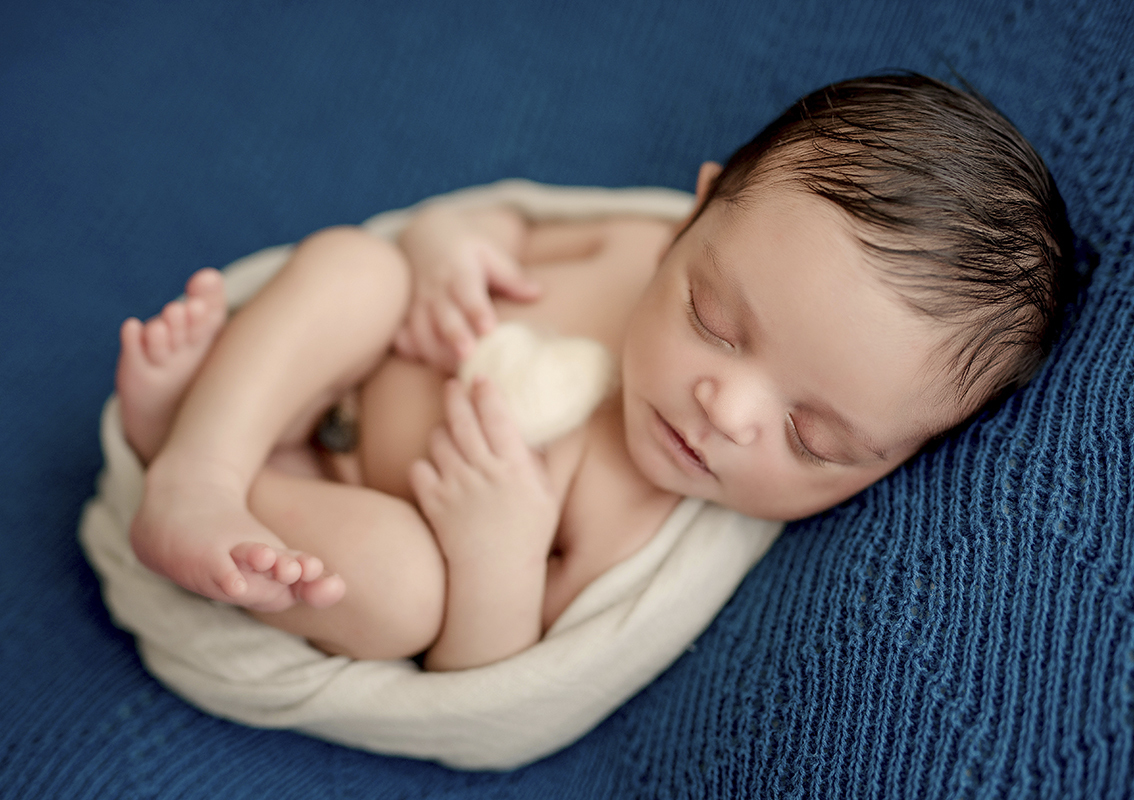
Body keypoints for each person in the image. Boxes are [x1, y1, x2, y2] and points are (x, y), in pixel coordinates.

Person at [116, 74, 1072, 670]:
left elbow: (487, 679)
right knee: (359, 270)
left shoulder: (635, 529)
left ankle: (192, 451)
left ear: (894, 460)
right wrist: (454, 252)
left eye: (812, 437)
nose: (726, 409)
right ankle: (201, 467)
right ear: (694, 217)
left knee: (404, 591)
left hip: (340, 506)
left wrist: (498, 555)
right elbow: (497, 221)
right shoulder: (626, 245)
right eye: (713, 320)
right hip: (340, 374)